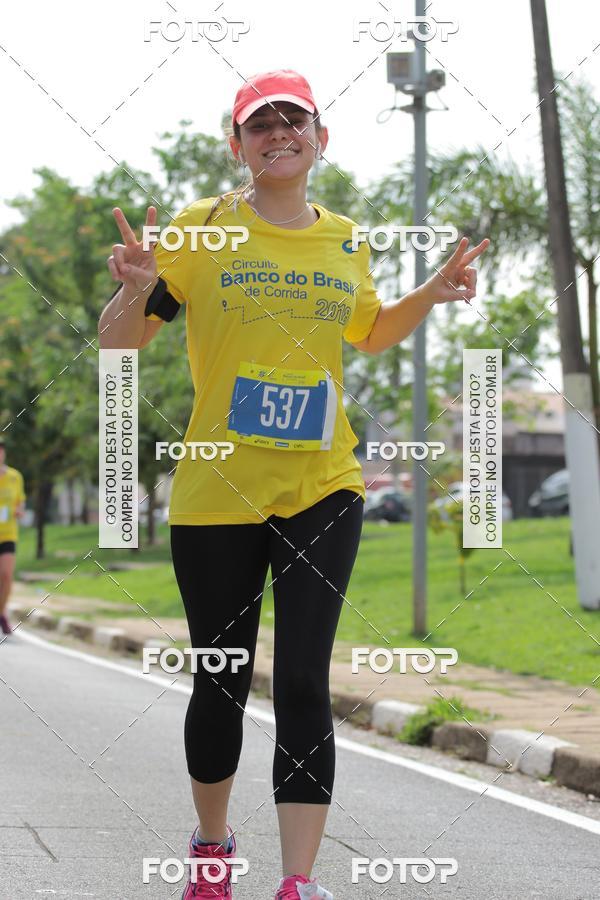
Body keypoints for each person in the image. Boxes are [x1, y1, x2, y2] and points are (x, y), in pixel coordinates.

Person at [99, 69, 489, 899]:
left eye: (294, 122)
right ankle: (212, 850)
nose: (280, 135)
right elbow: (120, 347)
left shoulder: (346, 237)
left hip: (324, 482)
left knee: (307, 679)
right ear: (236, 143)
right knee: (222, 674)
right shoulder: (199, 233)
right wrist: (132, 291)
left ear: (321, 137)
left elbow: (372, 332)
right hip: (218, 492)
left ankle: (301, 883)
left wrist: (434, 288)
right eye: (260, 125)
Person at [0, 439, 26, 636]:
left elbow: (20, 502)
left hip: (8, 534)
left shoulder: (15, 477)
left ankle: (1, 613)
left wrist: (19, 510)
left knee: (7, 576)